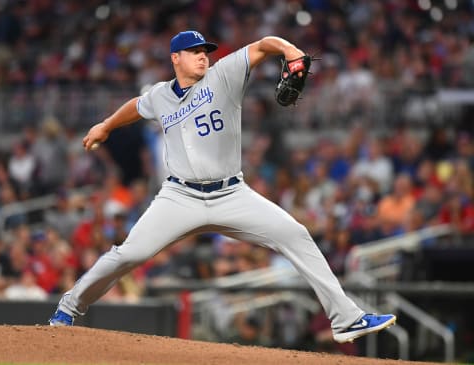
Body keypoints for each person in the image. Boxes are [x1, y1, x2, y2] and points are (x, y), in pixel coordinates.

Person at [49, 30, 396, 343]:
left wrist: (289, 50)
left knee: (295, 234)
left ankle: (346, 318)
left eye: (205, 51)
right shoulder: (159, 96)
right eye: (194, 51)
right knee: (130, 254)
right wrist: (106, 126)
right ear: (176, 58)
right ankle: (69, 306)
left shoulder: (224, 74)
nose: (203, 56)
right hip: (179, 196)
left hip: (231, 194)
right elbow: (136, 108)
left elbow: (263, 45)